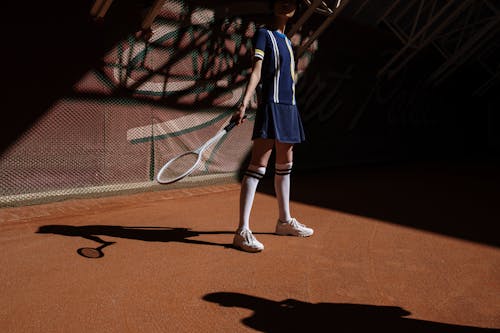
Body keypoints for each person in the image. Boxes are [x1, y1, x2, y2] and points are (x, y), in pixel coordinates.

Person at [231, 0, 314, 253]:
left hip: (289, 108)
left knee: (285, 164)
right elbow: (256, 71)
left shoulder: (288, 42)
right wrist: (244, 101)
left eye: (289, 1)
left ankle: (284, 221)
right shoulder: (263, 34)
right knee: (258, 165)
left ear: (294, 10)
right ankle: (242, 230)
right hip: (271, 105)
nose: (284, 3)